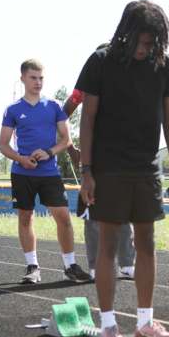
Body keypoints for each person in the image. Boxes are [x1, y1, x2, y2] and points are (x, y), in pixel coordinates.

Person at [77, 0, 169, 337]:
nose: (146, 49)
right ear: (127, 34)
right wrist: (86, 171)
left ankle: (144, 323)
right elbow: (87, 118)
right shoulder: (101, 61)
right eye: (142, 42)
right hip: (108, 167)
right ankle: (109, 326)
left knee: (147, 243)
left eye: (153, 43)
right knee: (108, 244)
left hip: (145, 167)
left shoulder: (165, 66)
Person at [0, 59, 91, 284]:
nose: (38, 82)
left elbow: (66, 140)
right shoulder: (13, 110)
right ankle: (32, 267)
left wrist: (49, 152)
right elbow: (3, 145)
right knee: (25, 218)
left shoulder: (54, 107)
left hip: (49, 173)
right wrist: (21, 159)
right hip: (22, 173)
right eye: (33, 78)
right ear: (23, 78)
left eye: (41, 78)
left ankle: (70, 266)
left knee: (63, 218)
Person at [63, 87, 136, 281]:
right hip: (93, 157)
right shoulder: (86, 84)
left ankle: (127, 264)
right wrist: (69, 146)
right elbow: (62, 115)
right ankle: (96, 267)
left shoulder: (127, 78)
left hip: (121, 156)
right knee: (93, 212)